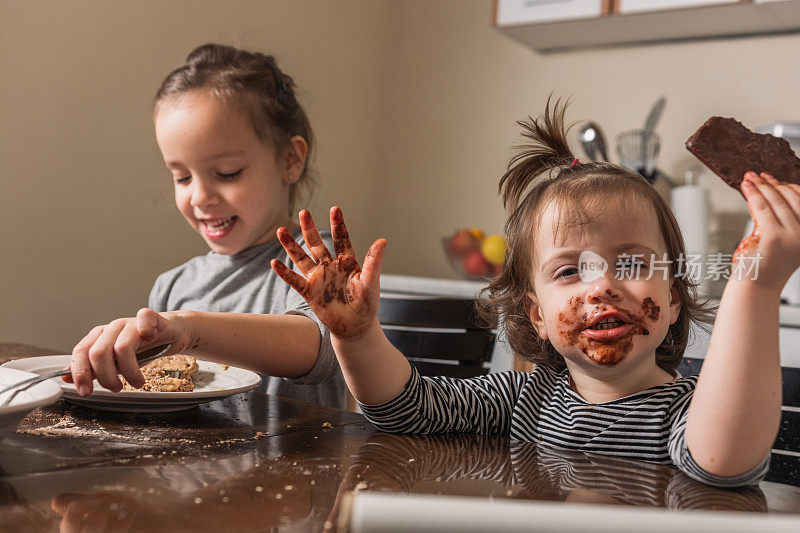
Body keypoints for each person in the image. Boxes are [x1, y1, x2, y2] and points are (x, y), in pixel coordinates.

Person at [271, 99, 793, 486]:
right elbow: (408, 410)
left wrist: (758, 283)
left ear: (674, 298)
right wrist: (358, 337)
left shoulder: (688, 414)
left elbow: (723, 458)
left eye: (631, 263)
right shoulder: (522, 400)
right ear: (536, 314)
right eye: (569, 272)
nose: (603, 285)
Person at [67, 43, 344, 408]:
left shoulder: (317, 259)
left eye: (227, 173)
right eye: (182, 177)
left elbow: (319, 347)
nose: (199, 197)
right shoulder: (174, 287)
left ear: (290, 160)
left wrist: (189, 328)